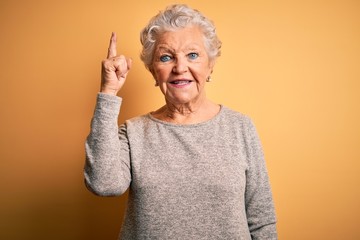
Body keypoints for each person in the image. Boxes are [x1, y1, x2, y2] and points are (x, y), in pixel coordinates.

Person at [84, 4, 277, 240]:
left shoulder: (240, 127)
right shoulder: (134, 133)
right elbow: (103, 184)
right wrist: (108, 91)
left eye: (193, 55)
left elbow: (262, 221)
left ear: (210, 65)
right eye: (166, 57)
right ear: (154, 72)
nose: (180, 67)